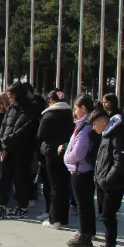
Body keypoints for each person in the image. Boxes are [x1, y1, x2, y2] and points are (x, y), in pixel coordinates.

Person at [90, 106, 124, 247]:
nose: (94, 128)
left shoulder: (117, 135)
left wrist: (107, 179)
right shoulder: (107, 134)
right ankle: (108, 245)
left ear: (103, 121)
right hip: (104, 183)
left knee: (109, 216)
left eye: (95, 124)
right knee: (105, 216)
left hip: (113, 184)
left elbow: (119, 162)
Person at [0, 82, 40, 219]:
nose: (9, 97)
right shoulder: (11, 108)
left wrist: (9, 138)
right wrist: (0, 141)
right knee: (4, 179)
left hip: (22, 150)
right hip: (8, 149)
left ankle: (22, 207)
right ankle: (1, 206)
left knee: (20, 180)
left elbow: (26, 128)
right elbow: (4, 125)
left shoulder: (31, 109)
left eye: (11, 94)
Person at [61, 95, 99, 247]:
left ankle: (85, 235)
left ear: (84, 108)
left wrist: (66, 158)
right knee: (86, 203)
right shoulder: (84, 124)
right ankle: (87, 231)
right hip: (82, 169)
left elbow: (79, 151)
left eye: (76, 108)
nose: (74, 112)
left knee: (83, 204)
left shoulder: (86, 126)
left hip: (81, 170)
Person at [37, 90, 74, 230]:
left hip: (52, 152)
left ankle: (54, 219)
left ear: (51, 100)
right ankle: (64, 218)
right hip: (66, 152)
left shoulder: (49, 114)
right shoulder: (68, 114)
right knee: (64, 186)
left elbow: (41, 135)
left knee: (54, 187)